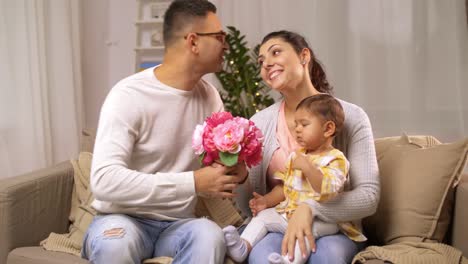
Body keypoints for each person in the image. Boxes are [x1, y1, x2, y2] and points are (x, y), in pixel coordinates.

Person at [81, 1, 248, 263]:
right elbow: (104, 182)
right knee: (115, 243)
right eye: (219, 37)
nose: (226, 45)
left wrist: (234, 170)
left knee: (210, 235)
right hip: (121, 219)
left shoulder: (210, 97)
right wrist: (193, 182)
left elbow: (214, 165)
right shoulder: (128, 96)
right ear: (193, 42)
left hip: (177, 224)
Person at [238, 31, 380, 264]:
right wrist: (239, 175)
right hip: (278, 224)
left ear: (304, 56)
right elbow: (249, 204)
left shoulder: (353, 117)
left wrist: (310, 208)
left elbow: (369, 197)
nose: (266, 64)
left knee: (327, 257)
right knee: (263, 258)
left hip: (334, 229)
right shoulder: (259, 123)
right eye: (261, 61)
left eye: (275, 52)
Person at [224, 94, 367, 264]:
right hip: (289, 214)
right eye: (296, 124)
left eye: (304, 124)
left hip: (323, 220)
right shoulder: (297, 156)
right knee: (263, 218)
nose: (297, 129)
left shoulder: (336, 159)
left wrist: (308, 167)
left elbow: (327, 189)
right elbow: (286, 187)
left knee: (304, 232)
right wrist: (266, 201)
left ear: (328, 129)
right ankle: (243, 246)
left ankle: (289, 261)